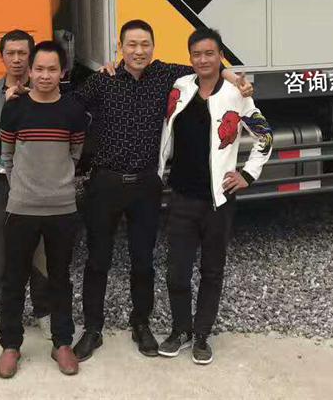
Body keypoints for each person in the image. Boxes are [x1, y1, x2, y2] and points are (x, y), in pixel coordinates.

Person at [71, 19, 252, 361]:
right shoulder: (104, 79)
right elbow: (69, 105)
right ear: (120, 48)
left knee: (143, 260)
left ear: (153, 47)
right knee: (97, 260)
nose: (139, 51)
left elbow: (207, 67)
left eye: (145, 44)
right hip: (105, 183)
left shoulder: (166, 75)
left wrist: (235, 79)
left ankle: (141, 324)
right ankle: (92, 329)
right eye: (132, 45)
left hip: (145, 185)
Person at [156, 28, 273, 365]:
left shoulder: (236, 95)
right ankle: (181, 330)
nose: (203, 60)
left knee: (211, 270)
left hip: (218, 201)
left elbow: (264, 136)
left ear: (220, 55)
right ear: (190, 57)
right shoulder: (181, 87)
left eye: (210, 53)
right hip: (181, 196)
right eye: (197, 54)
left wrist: (247, 174)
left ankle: (202, 335)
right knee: (177, 272)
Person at [0, 40, 86, 379]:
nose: (45, 75)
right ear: (29, 72)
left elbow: (75, 153)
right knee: (13, 277)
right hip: (22, 207)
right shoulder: (14, 109)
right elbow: (6, 156)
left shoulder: (73, 110)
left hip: (62, 207)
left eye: (52, 69)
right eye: (39, 69)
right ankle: (10, 344)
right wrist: (23, 186)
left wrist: (56, 181)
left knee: (59, 277)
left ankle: (62, 342)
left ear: (62, 72)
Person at [0, 30, 51, 332]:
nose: (17, 59)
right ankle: (8, 315)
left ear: (31, 56)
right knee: (5, 253)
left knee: (41, 252)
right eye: (10, 53)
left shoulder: (47, 93)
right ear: (1, 56)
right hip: (2, 184)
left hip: (38, 185)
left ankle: (44, 312)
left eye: (22, 53)